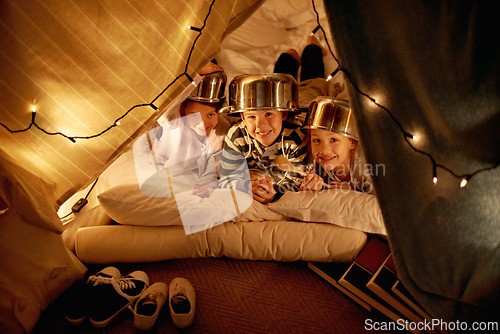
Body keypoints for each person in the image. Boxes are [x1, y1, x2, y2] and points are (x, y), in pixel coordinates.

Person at [134, 62, 230, 199]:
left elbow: (214, 166)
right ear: (182, 110)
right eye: (194, 115)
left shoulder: (221, 129)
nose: (203, 123)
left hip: (193, 179)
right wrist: (196, 75)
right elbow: (169, 103)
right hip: (162, 171)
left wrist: (207, 185)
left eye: (210, 115)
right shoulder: (175, 122)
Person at [218, 73, 308, 204]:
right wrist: (247, 187)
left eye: (268, 114)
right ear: (242, 117)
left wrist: (274, 192)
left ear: (284, 114)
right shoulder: (236, 136)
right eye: (252, 117)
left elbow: (296, 180)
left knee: (309, 86)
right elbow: (227, 179)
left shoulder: (296, 137)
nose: (260, 125)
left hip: (299, 108)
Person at [300, 97, 374, 194]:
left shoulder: (367, 168)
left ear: (352, 142)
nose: (324, 150)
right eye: (317, 140)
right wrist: (305, 191)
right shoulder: (313, 163)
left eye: (334, 140)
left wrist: (353, 193)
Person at [273, 35, 348, 122]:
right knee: (311, 55)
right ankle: (312, 47)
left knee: (285, 58)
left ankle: (293, 55)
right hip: (308, 93)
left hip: (282, 99)